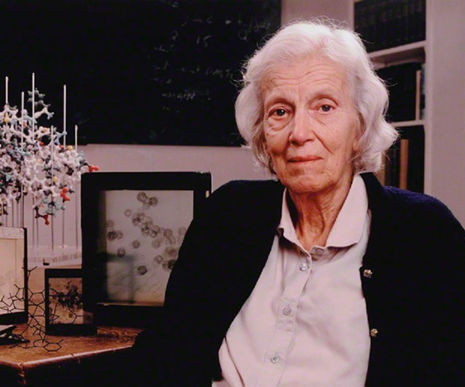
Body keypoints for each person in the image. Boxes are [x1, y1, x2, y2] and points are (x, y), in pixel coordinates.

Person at [131, 20, 465, 387]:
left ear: (360, 127)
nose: (299, 134)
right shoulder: (227, 216)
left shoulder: (424, 233)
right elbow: (167, 348)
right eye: (280, 112)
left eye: (324, 107)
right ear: (262, 135)